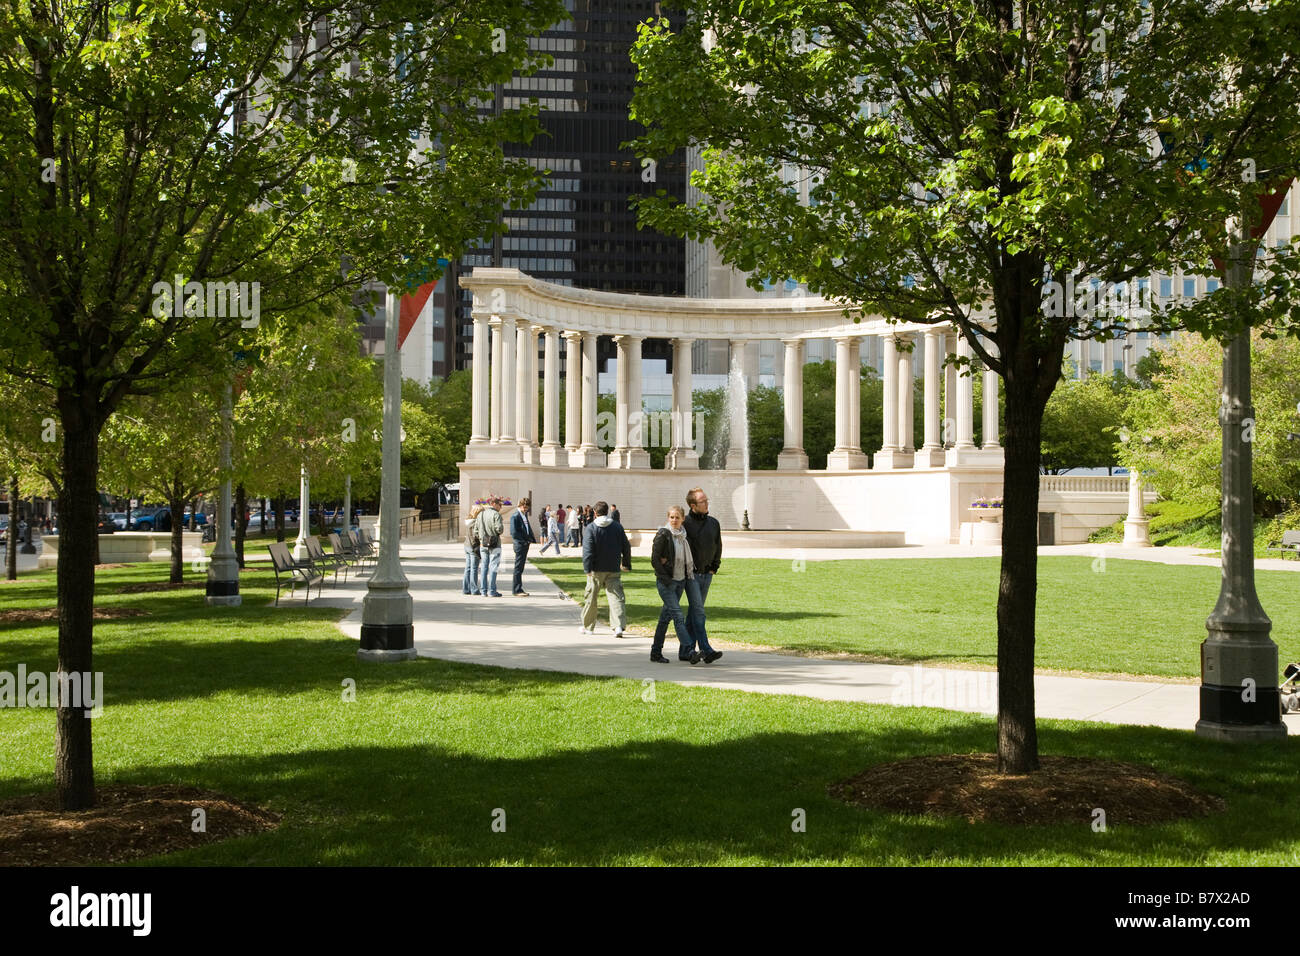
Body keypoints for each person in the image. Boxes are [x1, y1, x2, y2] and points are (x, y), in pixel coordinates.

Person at [650, 505, 700, 664]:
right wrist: (665, 578)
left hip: (680, 582)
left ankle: (655, 652)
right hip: (667, 583)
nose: (674, 520)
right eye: (672, 517)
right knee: (678, 616)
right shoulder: (663, 534)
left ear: (683, 519)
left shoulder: (683, 536)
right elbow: (655, 560)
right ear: (668, 518)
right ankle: (690, 650)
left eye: (677, 517)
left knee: (665, 618)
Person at [682, 487, 723, 664]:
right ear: (693, 506)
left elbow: (718, 545)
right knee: (698, 612)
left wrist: (714, 567)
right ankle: (706, 649)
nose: (707, 504)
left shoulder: (713, 523)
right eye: (703, 501)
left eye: (707, 500)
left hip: (707, 574)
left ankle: (686, 650)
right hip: (692, 575)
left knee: (693, 612)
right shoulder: (685, 524)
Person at [580, 500, 632, 636]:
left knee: (591, 597)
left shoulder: (591, 528)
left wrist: (587, 568)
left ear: (595, 513)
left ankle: (588, 627)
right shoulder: (617, 527)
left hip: (596, 569)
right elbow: (626, 546)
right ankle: (618, 626)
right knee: (616, 597)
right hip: (613, 567)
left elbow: (587, 551)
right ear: (607, 511)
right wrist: (626, 564)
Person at [473, 498, 504, 597]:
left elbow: (476, 531)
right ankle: (491, 590)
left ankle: (483, 591)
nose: (501, 507)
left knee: (484, 567)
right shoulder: (496, 514)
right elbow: (499, 529)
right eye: (500, 504)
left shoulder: (480, 514)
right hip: (495, 544)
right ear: (494, 504)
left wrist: (482, 539)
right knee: (493, 567)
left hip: (483, 544)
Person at [510, 497, 537, 596]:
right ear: (520, 505)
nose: (525, 509)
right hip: (520, 545)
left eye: (527, 507)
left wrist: (530, 539)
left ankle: (519, 588)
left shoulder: (523, 515)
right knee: (518, 568)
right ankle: (516, 589)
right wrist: (523, 542)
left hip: (525, 544)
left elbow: (526, 528)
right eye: (524, 507)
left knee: (520, 568)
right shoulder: (515, 516)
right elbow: (514, 533)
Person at [463, 504, 483, 595]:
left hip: (467, 545)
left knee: (468, 568)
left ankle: (466, 589)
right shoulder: (475, 522)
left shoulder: (468, 521)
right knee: (474, 569)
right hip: (473, 546)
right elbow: (476, 536)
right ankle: (474, 589)